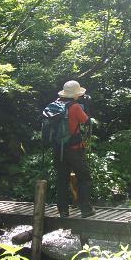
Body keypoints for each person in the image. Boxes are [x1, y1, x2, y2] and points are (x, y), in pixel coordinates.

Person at [52, 80, 95, 218]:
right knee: (84, 177)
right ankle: (86, 209)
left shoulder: (56, 104)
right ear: (76, 94)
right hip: (74, 149)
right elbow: (87, 122)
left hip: (58, 149)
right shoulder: (76, 107)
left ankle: (63, 211)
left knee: (62, 179)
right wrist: (86, 107)